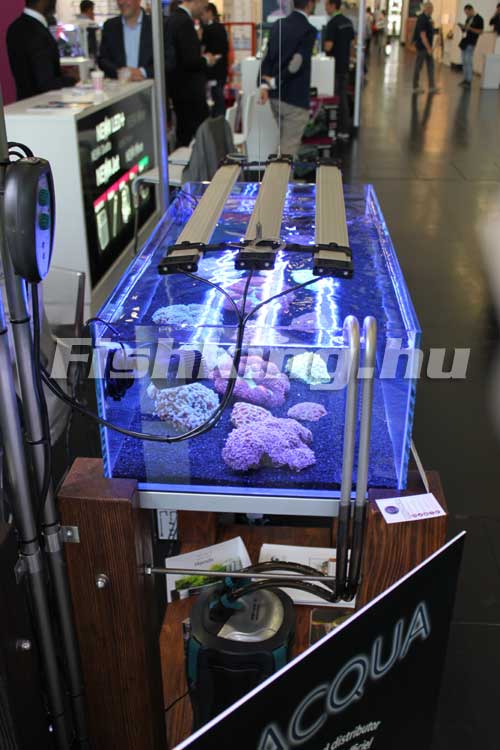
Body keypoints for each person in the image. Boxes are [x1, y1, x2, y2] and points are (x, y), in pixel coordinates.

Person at [259, 0, 317, 158]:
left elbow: (267, 57)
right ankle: (279, 175)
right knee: (288, 151)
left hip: (275, 98)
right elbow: (297, 63)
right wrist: (275, 81)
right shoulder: (308, 30)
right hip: (295, 99)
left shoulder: (278, 25)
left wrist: (265, 85)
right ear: (310, 4)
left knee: (285, 144)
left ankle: (280, 172)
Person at [166, 0, 216, 147]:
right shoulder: (184, 22)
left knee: (184, 136)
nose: (203, 9)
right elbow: (189, 61)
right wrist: (206, 60)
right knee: (193, 141)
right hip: (189, 95)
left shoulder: (173, 19)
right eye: (203, 4)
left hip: (179, 92)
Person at [7, 0, 78, 101]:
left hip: (25, 103)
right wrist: (72, 78)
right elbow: (46, 83)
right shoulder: (36, 31)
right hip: (42, 103)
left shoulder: (15, 26)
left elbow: (30, 69)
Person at [98, 0, 154, 80]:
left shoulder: (156, 25)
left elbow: (167, 61)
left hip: (151, 86)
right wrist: (120, 72)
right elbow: (103, 60)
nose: (121, 2)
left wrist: (141, 72)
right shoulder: (110, 26)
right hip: (120, 86)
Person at [324, 0, 355, 141]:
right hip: (345, 65)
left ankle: (337, 130)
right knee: (343, 97)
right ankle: (344, 129)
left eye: (326, 5)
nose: (325, 8)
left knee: (335, 100)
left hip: (334, 67)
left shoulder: (332, 23)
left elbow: (328, 47)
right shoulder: (348, 22)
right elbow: (353, 44)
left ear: (332, 5)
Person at [201, 2, 229, 116]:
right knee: (219, 98)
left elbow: (203, 49)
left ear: (209, 12)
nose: (202, 17)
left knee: (216, 99)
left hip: (213, 72)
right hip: (222, 71)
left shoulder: (208, 29)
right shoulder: (221, 27)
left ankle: (217, 121)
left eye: (203, 14)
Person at [412, 3, 439, 94]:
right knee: (418, 66)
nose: (433, 10)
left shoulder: (428, 18)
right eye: (432, 8)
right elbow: (422, 35)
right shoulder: (422, 19)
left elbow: (429, 31)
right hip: (422, 47)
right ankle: (415, 86)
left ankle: (432, 86)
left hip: (427, 46)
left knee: (431, 65)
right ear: (428, 8)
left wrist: (436, 32)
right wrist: (428, 48)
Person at [458, 4, 484, 87]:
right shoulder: (468, 19)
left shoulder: (479, 19)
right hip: (465, 42)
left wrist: (470, 28)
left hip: (471, 42)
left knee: (468, 60)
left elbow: (480, 32)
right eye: (466, 13)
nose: (467, 15)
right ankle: (465, 79)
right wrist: (463, 28)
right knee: (464, 61)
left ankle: (469, 80)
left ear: (471, 10)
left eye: (467, 13)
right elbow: (466, 30)